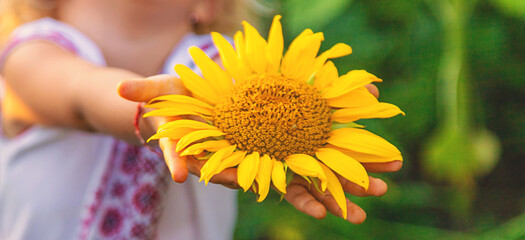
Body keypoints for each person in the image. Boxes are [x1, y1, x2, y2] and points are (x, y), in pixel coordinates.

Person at [0, 0, 402, 239]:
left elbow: (253, 84)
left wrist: (302, 109)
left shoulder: (225, 65)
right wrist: (155, 114)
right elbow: (82, 93)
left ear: (207, 4)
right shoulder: (33, 51)